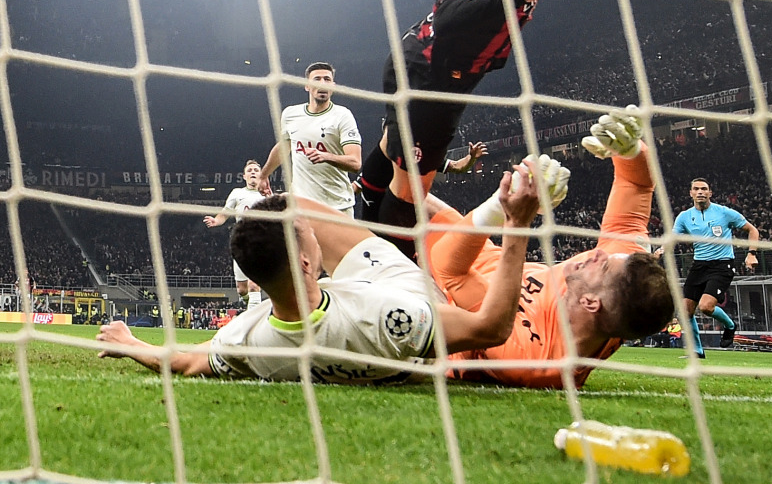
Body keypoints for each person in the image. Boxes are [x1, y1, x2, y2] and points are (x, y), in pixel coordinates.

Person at [96, 161, 547, 382]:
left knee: (284, 209)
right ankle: (477, 202)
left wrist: (130, 343)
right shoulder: (391, 316)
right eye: (307, 237)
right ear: (309, 262)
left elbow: (185, 360)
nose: (312, 233)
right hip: (403, 288)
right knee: (294, 205)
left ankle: (392, 178)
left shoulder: (248, 339)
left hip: (329, 306)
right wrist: (518, 225)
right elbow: (490, 327)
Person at [356, 0, 600, 259]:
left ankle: (362, 220)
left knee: (392, 150)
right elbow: (452, 18)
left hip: (423, 62)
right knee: (412, 190)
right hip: (433, 80)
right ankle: (385, 272)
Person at [421, 107, 675, 389]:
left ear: (591, 302)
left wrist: (503, 208)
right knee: (396, 186)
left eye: (602, 265)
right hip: (471, 253)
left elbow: (448, 269)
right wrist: (631, 151)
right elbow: (636, 187)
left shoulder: (532, 359)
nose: (598, 253)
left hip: (433, 293)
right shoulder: (620, 280)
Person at [671, 177, 760, 358]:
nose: (700, 192)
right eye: (696, 189)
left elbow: (753, 230)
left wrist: (752, 253)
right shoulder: (684, 217)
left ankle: (730, 325)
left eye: (704, 189)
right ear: (691, 193)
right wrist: (660, 250)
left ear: (710, 193)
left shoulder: (724, 213)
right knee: (685, 309)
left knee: (705, 307)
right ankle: (697, 351)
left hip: (722, 264)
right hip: (699, 265)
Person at [258, 63, 362, 217]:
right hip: (302, 205)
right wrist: (263, 175)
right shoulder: (290, 114)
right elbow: (284, 147)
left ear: (333, 86)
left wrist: (326, 156)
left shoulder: (343, 116)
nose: (322, 83)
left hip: (337, 205)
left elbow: (355, 163)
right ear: (307, 86)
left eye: (327, 79)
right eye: (317, 79)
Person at [203, 159, 266, 305]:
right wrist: (216, 221)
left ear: (261, 175)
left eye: (256, 170)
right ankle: (247, 303)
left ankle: (251, 322)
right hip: (241, 243)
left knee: (254, 285)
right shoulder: (237, 193)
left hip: (260, 243)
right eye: (249, 170)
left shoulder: (266, 194)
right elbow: (225, 213)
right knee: (242, 289)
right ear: (244, 176)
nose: (252, 172)